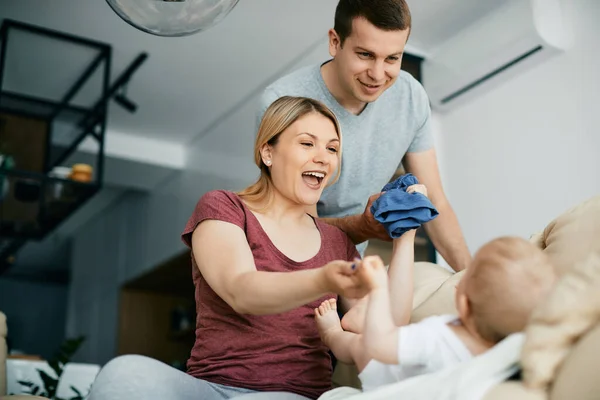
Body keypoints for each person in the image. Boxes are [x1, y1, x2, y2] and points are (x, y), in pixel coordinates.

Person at [86, 96, 373, 400]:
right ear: (268, 152)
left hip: (289, 395)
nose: (323, 157)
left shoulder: (337, 244)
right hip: (210, 389)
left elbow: (368, 333)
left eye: (332, 148)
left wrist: (404, 235)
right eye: (307, 144)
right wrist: (323, 279)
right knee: (124, 373)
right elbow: (242, 291)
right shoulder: (224, 207)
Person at [257, 0, 471, 273]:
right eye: (366, 55)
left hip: (352, 262)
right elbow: (291, 222)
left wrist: (473, 283)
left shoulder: (411, 97)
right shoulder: (281, 102)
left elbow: (436, 201)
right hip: (291, 264)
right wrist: (361, 225)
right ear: (335, 42)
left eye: (392, 58)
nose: (378, 74)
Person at [314, 236, 557, 392]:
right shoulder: (508, 352)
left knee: (358, 344)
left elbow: (378, 345)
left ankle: (332, 332)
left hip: (383, 375)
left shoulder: (437, 337)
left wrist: (378, 290)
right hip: (406, 358)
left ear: (463, 303)